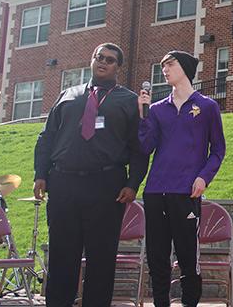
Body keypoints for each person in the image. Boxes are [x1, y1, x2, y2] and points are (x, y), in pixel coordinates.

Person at [33, 43, 149, 307]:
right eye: (99, 57)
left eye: (110, 59)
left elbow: (140, 147)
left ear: (118, 67)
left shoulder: (129, 101)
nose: (103, 62)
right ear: (92, 60)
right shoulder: (67, 95)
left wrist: (133, 183)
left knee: (101, 258)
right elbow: (46, 137)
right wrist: (41, 174)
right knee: (62, 256)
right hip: (63, 183)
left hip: (106, 187)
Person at [137, 50, 226, 307]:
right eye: (162, 65)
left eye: (170, 64)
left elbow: (218, 150)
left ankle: (189, 303)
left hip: (186, 192)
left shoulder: (207, 106)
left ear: (185, 68)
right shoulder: (156, 109)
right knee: (157, 256)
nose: (164, 70)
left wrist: (203, 178)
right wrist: (143, 116)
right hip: (155, 192)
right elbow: (146, 146)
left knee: (188, 257)